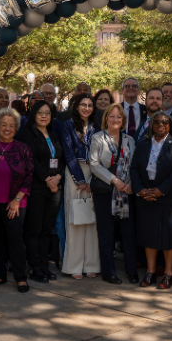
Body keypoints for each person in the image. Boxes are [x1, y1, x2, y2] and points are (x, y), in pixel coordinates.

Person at [131, 110, 172, 289]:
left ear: (170, 125)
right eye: (157, 122)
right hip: (145, 198)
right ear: (151, 125)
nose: (161, 125)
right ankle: (150, 271)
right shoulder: (143, 144)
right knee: (149, 236)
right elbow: (134, 169)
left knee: (169, 237)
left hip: (168, 198)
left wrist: (160, 191)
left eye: (165, 122)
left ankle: (169, 272)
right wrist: (140, 190)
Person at [0, 108, 32, 293]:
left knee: (15, 241)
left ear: (16, 128)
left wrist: (17, 200)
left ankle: (20, 277)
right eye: (4, 125)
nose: (7, 128)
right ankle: (0, 274)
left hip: (15, 204)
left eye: (11, 126)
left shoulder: (23, 148)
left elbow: (29, 176)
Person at [89, 103, 139, 284]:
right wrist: (115, 181)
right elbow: (94, 165)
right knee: (106, 233)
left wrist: (130, 184)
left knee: (128, 234)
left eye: (119, 117)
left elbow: (135, 166)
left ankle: (132, 271)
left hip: (126, 194)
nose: (115, 120)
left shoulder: (130, 140)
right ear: (106, 119)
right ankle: (108, 272)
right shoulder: (97, 138)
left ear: (123, 120)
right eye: (112, 116)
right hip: (106, 192)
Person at [19, 101, 65, 283]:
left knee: (47, 230)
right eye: (40, 113)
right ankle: (35, 267)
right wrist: (47, 179)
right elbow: (31, 162)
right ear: (33, 114)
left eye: (47, 113)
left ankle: (44, 266)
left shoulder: (53, 135)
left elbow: (61, 160)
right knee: (34, 229)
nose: (44, 116)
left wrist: (58, 178)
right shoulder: (27, 135)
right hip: (37, 187)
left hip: (55, 188)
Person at [60, 93, 100, 279]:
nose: (87, 108)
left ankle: (91, 263)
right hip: (74, 173)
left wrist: (92, 180)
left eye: (90, 105)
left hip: (94, 173)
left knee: (91, 219)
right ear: (76, 106)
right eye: (83, 104)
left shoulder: (96, 127)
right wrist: (80, 180)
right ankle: (74, 266)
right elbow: (68, 154)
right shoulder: (67, 126)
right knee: (75, 219)